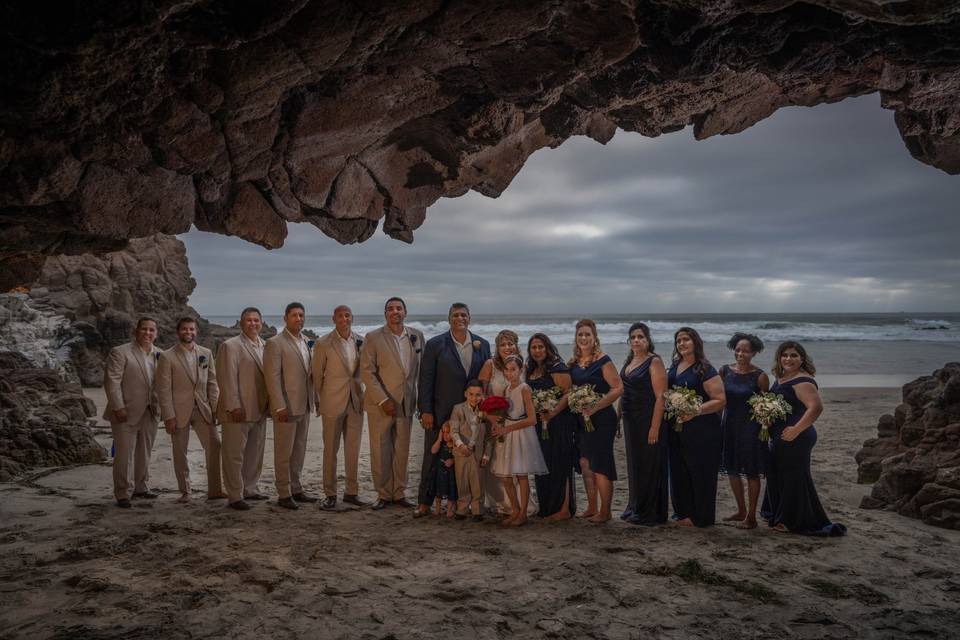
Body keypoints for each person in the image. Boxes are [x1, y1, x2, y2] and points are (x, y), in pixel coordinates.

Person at [416, 303, 491, 517]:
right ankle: (423, 502)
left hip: (471, 413)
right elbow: (426, 379)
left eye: (464, 315)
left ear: (470, 318)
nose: (460, 318)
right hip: (441, 411)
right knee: (432, 456)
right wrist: (425, 410)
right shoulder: (436, 344)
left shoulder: (482, 344)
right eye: (456, 315)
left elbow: (486, 379)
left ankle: (462, 503)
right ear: (449, 319)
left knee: (465, 459)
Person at [766, 342, 846, 536]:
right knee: (780, 474)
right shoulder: (781, 378)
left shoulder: (804, 380)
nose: (788, 359)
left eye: (794, 355)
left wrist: (796, 430)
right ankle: (780, 514)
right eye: (785, 355)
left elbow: (816, 407)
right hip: (780, 435)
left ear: (802, 359)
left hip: (797, 435)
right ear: (779, 357)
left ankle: (790, 520)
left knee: (794, 476)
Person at [360, 297, 425, 510]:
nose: (394, 311)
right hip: (381, 404)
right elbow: (367, 372)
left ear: (405, 312)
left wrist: (422, 400)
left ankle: (399, 493)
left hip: (407, 402)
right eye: (390, 309)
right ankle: (383, 494)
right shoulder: (373, 337)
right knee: (381, 450)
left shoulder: (416, 336)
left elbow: (421, 371)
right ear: (385, 314)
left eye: (399, 308)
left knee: (402, 450)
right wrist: (383, 399)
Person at [156, 316, 223, 503]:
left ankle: (215, 490)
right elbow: (163, 389)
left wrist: (216, 409)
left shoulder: (206, 353)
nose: (188, 332)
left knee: (215, 446)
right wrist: (168, 416)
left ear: (196, 331)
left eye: (192, 329)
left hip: (203, 408)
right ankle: (185, 491)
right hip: (178, 411)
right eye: (185, 329)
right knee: (180, 451)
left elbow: (212, 383)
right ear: (178, 332)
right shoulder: (167, 356)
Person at [666, 327, 726, 527]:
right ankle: (684, 512)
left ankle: (701, 516)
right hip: (677, 427)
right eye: (679, 341)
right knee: (680, 471)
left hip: (702, 429)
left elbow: (720, 400)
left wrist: (694, 410)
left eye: (686, 340)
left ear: (695, 343)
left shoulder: (704, 369)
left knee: (700, 472)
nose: (682, 343)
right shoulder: (675, 366)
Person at [102, 317, 162, 508]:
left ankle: (141, 487)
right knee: (124, 453)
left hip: (151, 411)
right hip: (125, 411)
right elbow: (112, 382)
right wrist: (118, 407)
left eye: (151, 330)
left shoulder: (160, 354)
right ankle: (122, 492)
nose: (147, 333)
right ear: (136, 331)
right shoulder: (120, 352)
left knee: (144, 451)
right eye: (144, 329)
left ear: (156, 333)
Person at [312, 305, 367, 510]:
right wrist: (321, 399)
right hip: (332, 402)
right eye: (340, 316)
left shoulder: (362, 340)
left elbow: (366, 371)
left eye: (347, 315)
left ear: (352, 318)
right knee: (331, 451)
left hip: (355, 402)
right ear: (333, 319)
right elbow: (317, 376)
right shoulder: (323, 343)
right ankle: (330, 493)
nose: (344, 319)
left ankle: (352, 492)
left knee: (353, 450)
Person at [264, 302, 317, 510]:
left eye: (302, 315)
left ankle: (296, 488)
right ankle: (283, 493)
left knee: (299, 450)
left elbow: (309, 376)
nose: (299, 319)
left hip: (304, 404)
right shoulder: (275, 343)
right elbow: (272, 377)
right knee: (283, 452)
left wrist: (315, 400)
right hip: (285, 406)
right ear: (285, 318)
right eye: (294, 315)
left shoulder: (306, 342)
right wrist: (279, 406)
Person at [215, 307, 270, 511]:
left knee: (254, 453)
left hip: (260, 408)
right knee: (234, 454)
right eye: (248, 320)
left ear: (261, 323)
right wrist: (234, 405)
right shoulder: (231, 346)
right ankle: (235, 495)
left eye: (256, 320)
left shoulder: (265, 346)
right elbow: (226, 379)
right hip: (237, 410)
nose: (253, 324)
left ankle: (250, 489)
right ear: (240, 323)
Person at [568, 319, 622, 523]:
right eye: (580, 334)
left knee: (601, 464)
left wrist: (595, 406)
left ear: (594, 337)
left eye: (587, 334)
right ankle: (591, 506)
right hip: (581, 420)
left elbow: (618, 388)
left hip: (601, 419)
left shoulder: (603, 360)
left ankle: (605, 511)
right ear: (576, 337)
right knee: (584, 463)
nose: (583, 338)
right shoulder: (573, 363)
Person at [619, 322, 668, 526]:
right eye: (633, 337)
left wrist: (655, 427)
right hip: (631, 420)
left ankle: (650, 511)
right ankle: (635, 506)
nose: (636, 340)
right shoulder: (630, 360)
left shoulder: (654, 362)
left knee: (649, 464)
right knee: (635, 464)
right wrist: (618, 415)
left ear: (648, 340)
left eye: (640, 337)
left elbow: (661, 397)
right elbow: (624, 391)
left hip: (648, 418)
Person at [719, 332, 769, 529]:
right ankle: (740, 510)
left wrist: (764, 427)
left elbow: (766, 406)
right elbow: (718, 400)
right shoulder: (724, 371)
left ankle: (751, 516)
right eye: (737, 350)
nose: (740, 354)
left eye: (745, 351)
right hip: (729, 425)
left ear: (754, 353)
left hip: (751, 428)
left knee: (751, 472)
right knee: (732, 470)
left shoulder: (760, 376)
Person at [489, 355, 547, 526]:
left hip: (521, 433)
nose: (509, 373)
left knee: (521, 475)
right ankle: (514, 509)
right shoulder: (507, 389)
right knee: (506, 476)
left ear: (521, 370)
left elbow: (532, 419)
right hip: (507, 432)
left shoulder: (524, 388)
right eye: (506, 370)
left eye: (513, 369)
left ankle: (523, 513)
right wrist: (497, 423)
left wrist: (508, 428)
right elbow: (506, 413)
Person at [526, 332, 577, 520]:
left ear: (547, 348)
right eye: (533, 347)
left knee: (560, 463)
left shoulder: (557, 367)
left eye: (541, 347)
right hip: (539, 424)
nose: (537, 351)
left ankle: (563, 509)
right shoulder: (530, 369)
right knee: (543, 464)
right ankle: (547, 506)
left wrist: (553, 412)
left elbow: (568, 393)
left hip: (559, 422)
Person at [477, 329, 520, 517]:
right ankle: (498, 501)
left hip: (515, 423)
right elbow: (481, 393)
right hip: (493, 421)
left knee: (513, 462)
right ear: (497, 347)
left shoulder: (521, 365)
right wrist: (490, 415)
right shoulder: (490, 365)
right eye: (503, 344)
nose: (507, 347)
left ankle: (516, 503)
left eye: (510, 343)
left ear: (516, 345)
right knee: (495, 460)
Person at [449, 380, 490, 520]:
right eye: (471, 394)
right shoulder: (458, 409)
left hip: (478, 451)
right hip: (462, 451)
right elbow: (453, 431)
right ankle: (462, 508)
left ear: (482, 395)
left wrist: (486, 454)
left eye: (478, 395)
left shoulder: (486, 412)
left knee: (478, 480)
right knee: (462, 480)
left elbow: (489, 436)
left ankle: (478, 509)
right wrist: (460, 445)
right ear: (466, 394)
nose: (474, 398)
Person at [429, 423, 458, 518]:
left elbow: (458, 457)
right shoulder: (441, 443)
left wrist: (452, 460)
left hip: (451, 473)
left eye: (448, 433)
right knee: (438, 492)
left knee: (451, 491)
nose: (446, 435)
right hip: (440, 471)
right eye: (444, 432)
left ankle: (449, 510)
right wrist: (439, 439)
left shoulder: (455, 445)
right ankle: (437, 509)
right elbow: (433, 451)